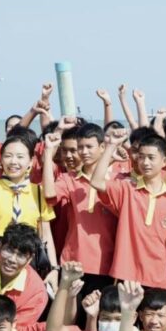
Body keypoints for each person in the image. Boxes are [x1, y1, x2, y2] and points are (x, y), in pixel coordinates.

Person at [89, 130, 166, 298]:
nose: (145, 162)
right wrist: (111, 146)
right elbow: (96, 181)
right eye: (141, 157)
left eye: (151, 157)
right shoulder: (127, 189)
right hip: (128, 275)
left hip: (162, 277)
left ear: (164, 162)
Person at [43, 122, 118, 299]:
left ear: (102, 147)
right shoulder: (68, 178)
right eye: (81, 147)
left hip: (106, 263)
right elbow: (49, 194)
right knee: (70, 315)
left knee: (98, 314)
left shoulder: (117, 180)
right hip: (73, 261)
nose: (84, 152)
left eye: (89, 147)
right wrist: (48, 153)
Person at [0, 137, 57, 262]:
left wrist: (54, 268)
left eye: (20, 157)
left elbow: (46, 235)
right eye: (8, 156)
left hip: (26, 255)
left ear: (30, 161)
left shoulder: (39, 192)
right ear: (1, 159)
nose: (13, 161)